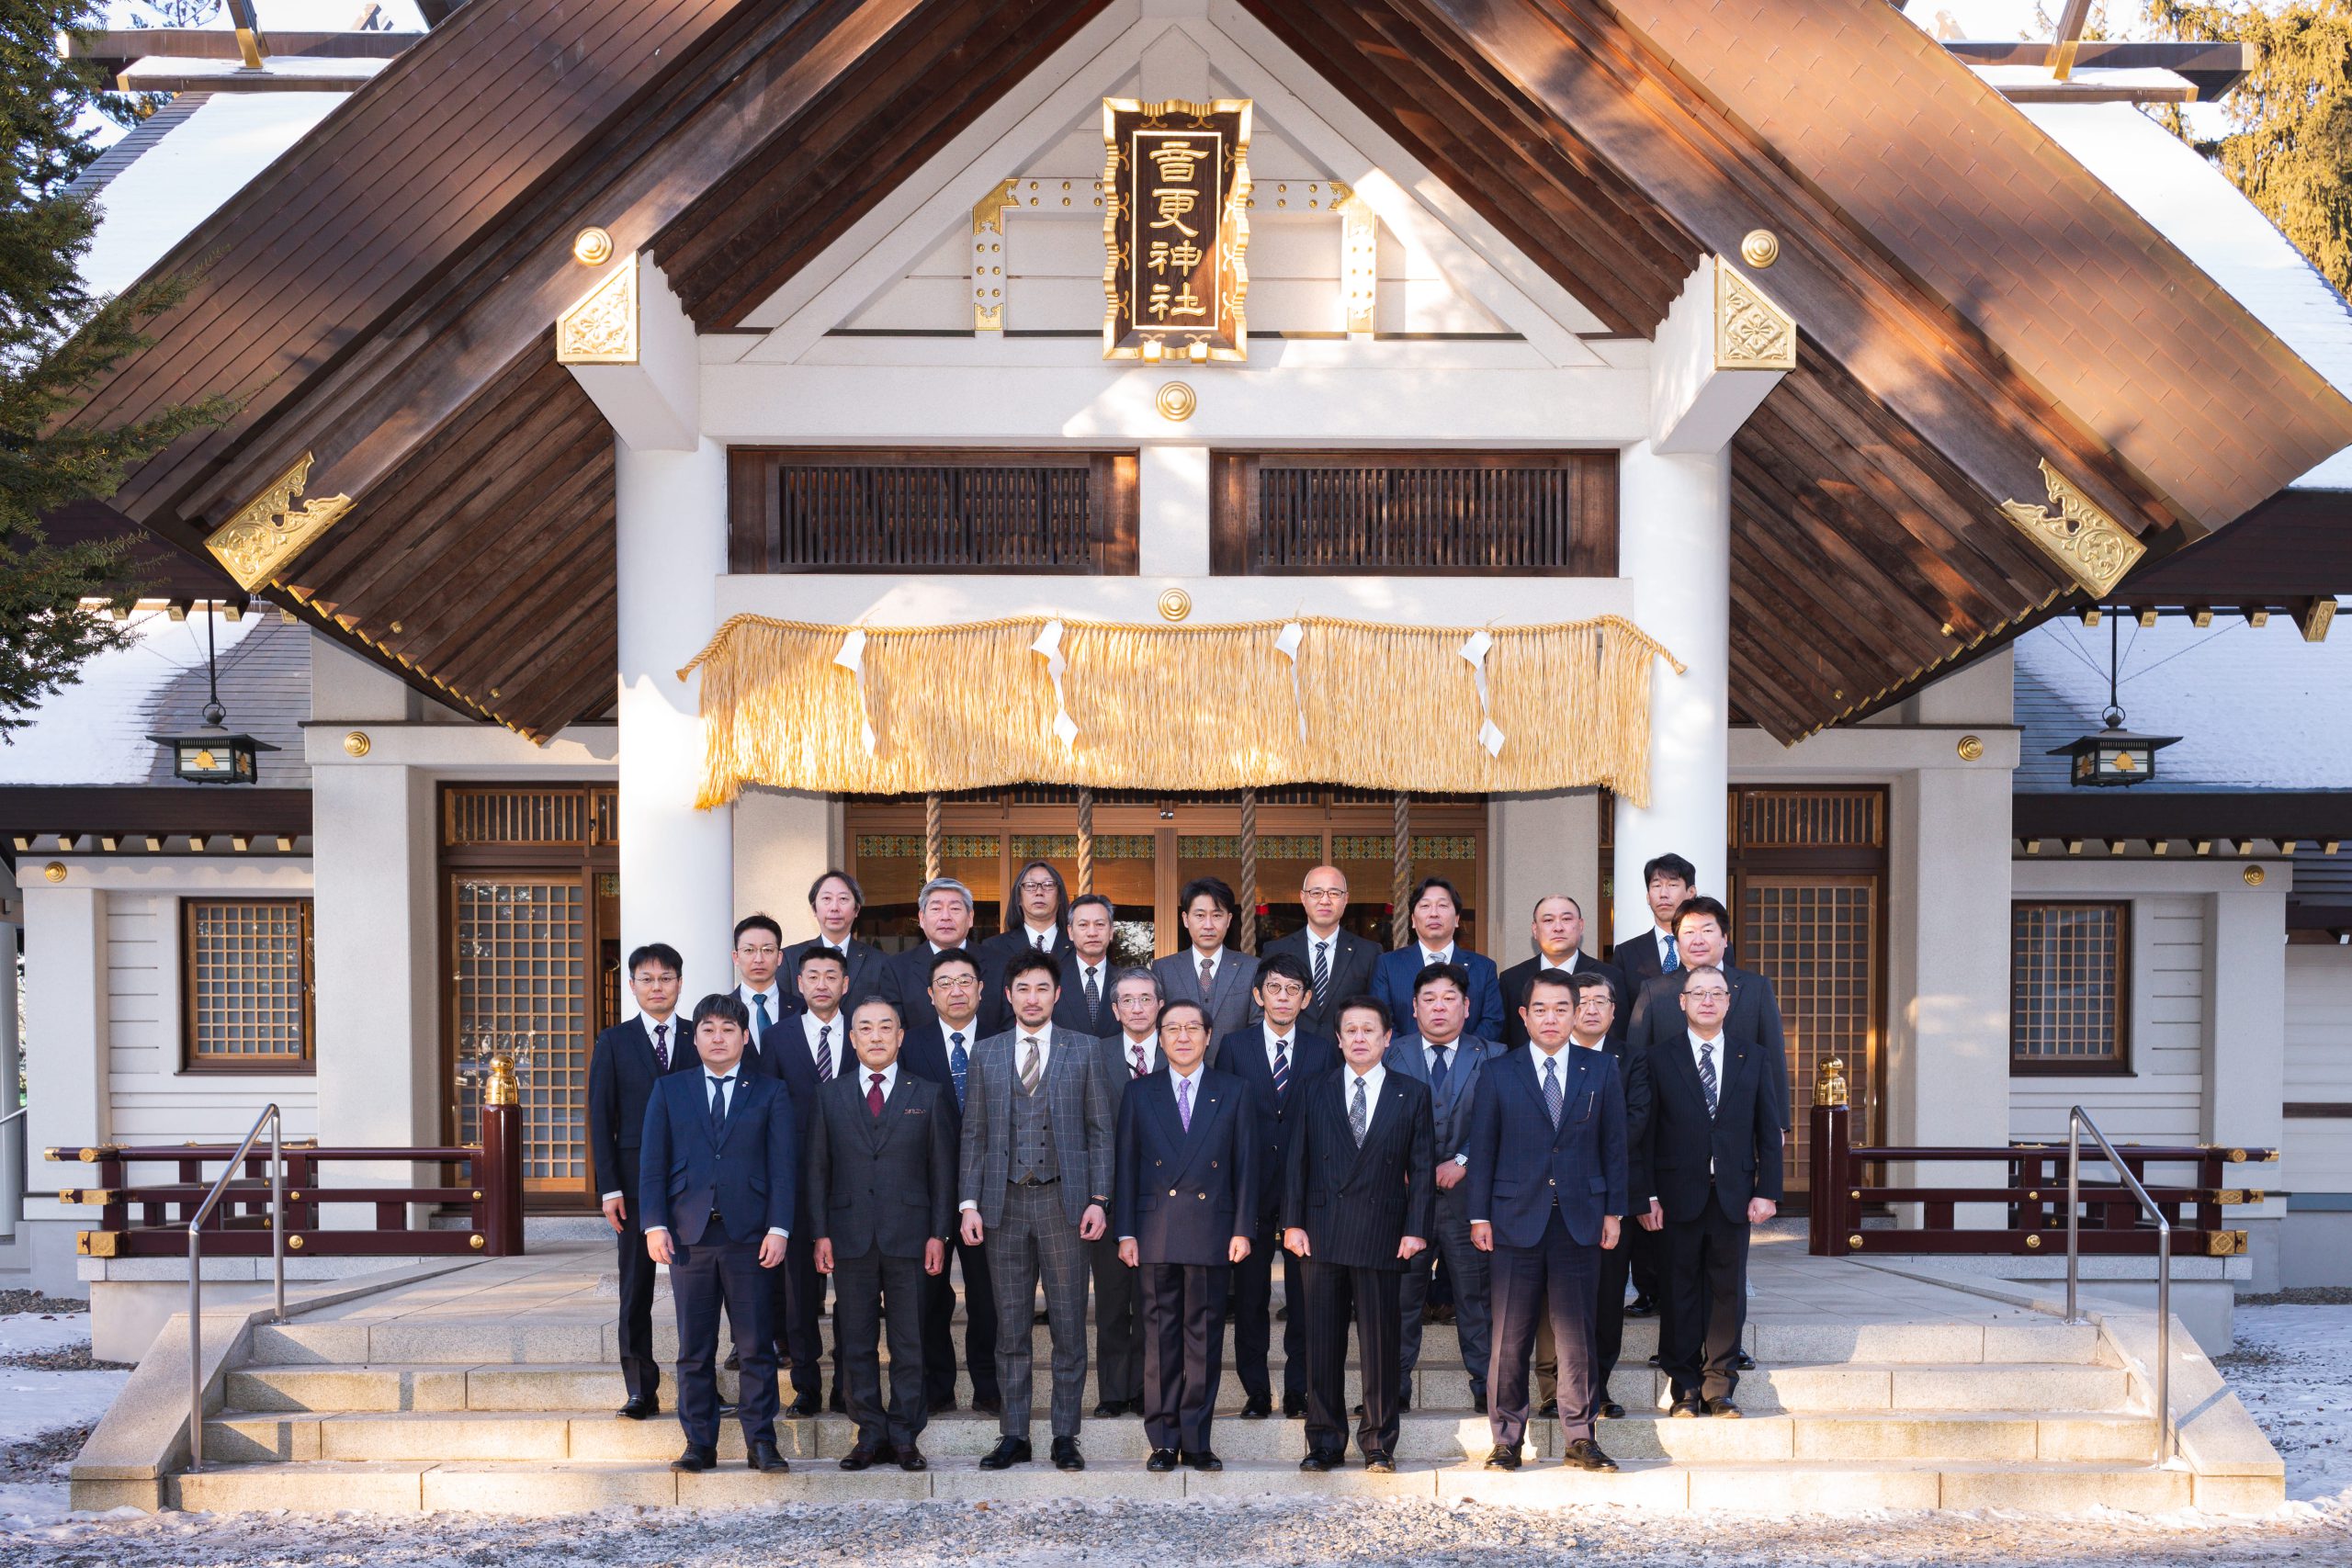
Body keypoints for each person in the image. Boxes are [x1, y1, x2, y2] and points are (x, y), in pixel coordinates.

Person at [957, 948, 1115, 1472]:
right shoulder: (987, 1052)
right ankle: (1014, 1433)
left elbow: (1099, 1132)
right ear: (1007, 995)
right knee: (1011, 1328)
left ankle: (1065, 1434)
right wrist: (969, 1204)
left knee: (1070, 1325)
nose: (1032, 998)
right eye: (1022, 989)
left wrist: (1099, 1199)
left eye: (1042, 989)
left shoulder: (1085, 1050)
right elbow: (974, 1134)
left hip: (1064, 1203)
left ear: (1057, 994)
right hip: (1002, 1204)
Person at [1468, 968, 1627, 1473]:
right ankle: (1507, 1439)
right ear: (1524, 1016)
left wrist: (1613, 1211)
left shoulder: (1600, 1070)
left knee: (1577, 1334)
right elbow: (1484, 1148)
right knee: (1509, 1337)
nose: (1552, 1018)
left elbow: (1614, 1146)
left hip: (1580, 1217)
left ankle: (1580, 1436)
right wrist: (1479, 1215)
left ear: (1578, 1012)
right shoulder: (1498, 1071)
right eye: (1541, 1009)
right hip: (1513, 1218)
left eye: (1563, 1008)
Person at [639, 992, 797, 1474]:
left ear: (745, 1037)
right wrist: (654, 1224)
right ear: (696, 1036)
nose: (718, 1037)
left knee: (754, 1346)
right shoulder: (670, 1090)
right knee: (695, 1348)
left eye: (729, 1029)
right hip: (689, 1238)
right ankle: (699, 1443)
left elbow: (783, 1165)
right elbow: (652, 1164)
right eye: (708, 1029)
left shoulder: (770, 1091)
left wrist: (780, 1227)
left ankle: (761, 1441)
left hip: (751, 1237)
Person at [1283, 996, 1434, 1473]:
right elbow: (1297, 1162)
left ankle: (1378, 1442)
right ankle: (1324, 1441)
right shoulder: (1313, 1089)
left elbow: (1424, 1168)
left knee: (1381, 1344)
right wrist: (1292, 1223)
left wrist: (1417, 1230)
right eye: (1351, 1030)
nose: (1360, 1038)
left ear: (1388, 1038)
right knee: (1322, 1343)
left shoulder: (1412, 1092)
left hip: (1384, 1232)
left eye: (1370, 1030)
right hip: (1321, 1231)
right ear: (1338, 1039)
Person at [806, 995, 953, 1472]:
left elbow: (942, 1172)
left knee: (910, 1340)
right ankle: (869, 1432)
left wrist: (939, 1233)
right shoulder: (830, 1095)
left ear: (900, 1036)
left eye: (885, 1027)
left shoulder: (927, 1094)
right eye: (865, 1028)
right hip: (848, 1236)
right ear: (852, 1038)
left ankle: (906, 1434)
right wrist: (820, 1233)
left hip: (911, 1236)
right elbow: (817, 1170)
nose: (875, 1036)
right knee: (857, 1341)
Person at [1116, 998, 1256, 1473]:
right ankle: (1162, 1440)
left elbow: (1246, 1167)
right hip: (1154, 1231)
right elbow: (1126, 1169)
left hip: (1212, 1230)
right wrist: (1126, 1232)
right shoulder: (1140, 1093)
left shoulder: (1233, 1091)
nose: (1181, 1036)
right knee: (1159, 1339)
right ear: (1159, 1037)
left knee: (1203, 1338)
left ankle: (1197, 1440)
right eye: (1171, 1028)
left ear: (1208, 1035)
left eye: (1191, 1028)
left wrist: (1243, 1229)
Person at [1638, 964, 1782, 1418]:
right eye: (1696, 992)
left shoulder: (1752, 1057)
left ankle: (1719, 1386)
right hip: (1676, 1194)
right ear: (1681, 1002)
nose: (1706, 1000)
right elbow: (1645, 1135)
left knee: (1727, 1291)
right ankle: (1683, 1386)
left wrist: (1768, 1190)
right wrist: (1648, 1195)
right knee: (1678, 1289)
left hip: (1734, 1194)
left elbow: (1768, 1129)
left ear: (1728, 1002)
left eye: (1716, 993)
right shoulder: (1659, 1058)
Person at [1524, 969, 1652, 1422]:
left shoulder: (1628, 1059)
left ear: (1613, 1011)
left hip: (1604, 1197)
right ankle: (1549, 1386)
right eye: (1583, 1000)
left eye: (1601, 1001)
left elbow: (1632, 1125)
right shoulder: (1542, 1059)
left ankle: (1597, 1386)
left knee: (1604, 1297)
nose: (1591, 1008)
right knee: (1546, 1300)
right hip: (1543, 1198)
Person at [1385, 961, 1505, 1416]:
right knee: (1402, 1298)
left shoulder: (1493, 1055)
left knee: (1474, 1297)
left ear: (1467, 1006)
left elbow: (1500, 1122)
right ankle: (1394, 1386)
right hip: (1405, 1203)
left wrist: (1463, 1160)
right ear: (1413, 1008)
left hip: (1468, 1200)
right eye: (1429, 1000)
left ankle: (1485, 1385)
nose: (1439, 1007)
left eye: (1449, 998)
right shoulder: (1390, 1054)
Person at [1219, 951, 1333, 1419]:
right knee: (1250, 1299)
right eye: (1274, 988)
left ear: (1306, 998)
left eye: (1292, 990)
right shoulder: (1233, 1047)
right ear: (1257, 995)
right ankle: (1256, 1391)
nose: (1283, 997)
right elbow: (1223, 1118)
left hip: (1305, 1194)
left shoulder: (1324, 1050)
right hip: (1250, 1192)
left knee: (1305, 1302)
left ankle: (1298, 1390)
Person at [587, 942, 696, 1420]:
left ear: (679, 983)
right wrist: (609, 1188)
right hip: (632, 1186)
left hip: (695, 1182)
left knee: (700, 1289)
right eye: (647, 979)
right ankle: (639, 1388)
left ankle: (701, 1385)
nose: (658, 987)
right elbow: (599, 1117)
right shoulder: (613, 1042)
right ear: (631, 987)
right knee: (636, 1287)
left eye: (667, 978)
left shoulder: (702, 1035)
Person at [898, 947, 1000, 1416]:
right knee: (928, 1292)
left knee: (990, 1295)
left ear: (981, 989)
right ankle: (936, 1385)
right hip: (924, 1189)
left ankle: (989, 1385)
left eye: (965, 981)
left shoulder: (1004, 1039)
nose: (956, 990)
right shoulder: (909, 1045)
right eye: (945, 983)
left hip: (992, 1188)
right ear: (929, 994)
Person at [773, 946, 857, 1416]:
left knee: (854, 1289)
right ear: (799, 984)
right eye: (813, 976)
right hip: (798, 1177)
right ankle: (805, 1383)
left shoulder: (865, 1030)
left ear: (845, 984)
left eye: (831, 975)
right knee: (800, 1290)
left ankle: (847, 1382)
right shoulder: (778, 1037)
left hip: (854, 1179)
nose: (822, 983)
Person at [1627, 897, 1789, 1135]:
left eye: (1707, 930)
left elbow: (1773, 1058)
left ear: (1724, 938)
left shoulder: (1757, 988)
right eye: (1689, 932)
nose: (1698, 940)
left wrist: (1779, 1124)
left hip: (1740, 1130)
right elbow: (1637, 1063)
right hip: (1671, 1133)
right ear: (1677, 941)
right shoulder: (1654, 992)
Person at [1087, 967, 1162, 1419]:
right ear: (1114, 1010)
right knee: (1114, 1301)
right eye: (1127, 1000)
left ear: (1159, 1005)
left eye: (1145, 999)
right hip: (1109, 1196)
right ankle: (1114, 1391)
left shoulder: (1179, 1050)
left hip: (1163, 1199)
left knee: (1153, 1301)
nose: (1137, 1007)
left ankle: (1147, 1390)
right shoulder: (1093, 1056)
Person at [1371, 876, 1504, 1041]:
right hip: (1402, 1064)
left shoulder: (1484, 968)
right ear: (1413, 920)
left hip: (1469, 1064)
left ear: (1457, 919)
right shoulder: (1388, 965)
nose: (1434, 913)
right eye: (1425, 906)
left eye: (1442, 905)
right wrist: (1409, 1059)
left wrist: (1465, 1059)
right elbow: (1381, 1022)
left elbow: (1492, 1022)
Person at [1261, 865, 1380, 1041]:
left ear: (1346, 899)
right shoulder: (1276, 950)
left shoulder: (1369, 953)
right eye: (1316, 893)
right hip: (1291, 1058)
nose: (1325, 900)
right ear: (1303, 898)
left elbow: (1376, 1013)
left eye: (1334, 893)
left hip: (1345, 1060)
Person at [1499, 894, 1628, 1050]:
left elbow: (1619, 1037)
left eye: (1566, 919)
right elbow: (1507, 1041)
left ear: (1581, 925)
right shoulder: (1512, 980)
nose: (1558, 927)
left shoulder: (1611, 976)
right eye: (1548, 920)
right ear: (1535, 929)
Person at [881, 878, 1001, 1041]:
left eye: (955, 908)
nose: (946, 917)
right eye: (936, 908)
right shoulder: (896, 969)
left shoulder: (999, 964)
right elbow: (894, 1032)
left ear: (970, 917)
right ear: (922, 918)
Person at [1151, 876, 1257, 1042]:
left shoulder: (1251, 968)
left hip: (1234, 1067)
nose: (1208, 925)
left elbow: (1257, 1028)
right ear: (1186, 919)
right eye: (1200, 915)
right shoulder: (1163, 969)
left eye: (1216, 915)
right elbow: (1156, 1027)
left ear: (1228, 920)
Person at [782, 869, 886, 1018]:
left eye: (843, 899)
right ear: (814, 909)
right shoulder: (789, 959)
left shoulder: (881, 962)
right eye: (826, 899)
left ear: (857, 909)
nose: (835, 907)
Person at [980, 860, 1073, 993]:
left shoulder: (1076, 946)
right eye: (1030, 885)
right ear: (1018, 898)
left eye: (1048, 885)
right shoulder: (993, 948)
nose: (1039, 892)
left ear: (1059, 897)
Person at [1610, 852, 1695, 988]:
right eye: (1656, 886)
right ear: (1648, 897)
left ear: (1691, 893)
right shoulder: (1626, 953)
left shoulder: (1713, 947)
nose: (1663, 894)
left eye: (1672, 885)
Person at [729, 914, 791, 1073]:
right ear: (736, 957)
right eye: (749, 950)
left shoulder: (801, 1010)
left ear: (779, 957)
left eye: (767, 950)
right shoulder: (720, 1011)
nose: (759, 959)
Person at [1055, 893, 1120, 1038]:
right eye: (1083, 925)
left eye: (1100, 924)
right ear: (1070, 932)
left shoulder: (1125, 981)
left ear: (1111, 931)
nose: (1092, 933)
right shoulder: (1053, 979)